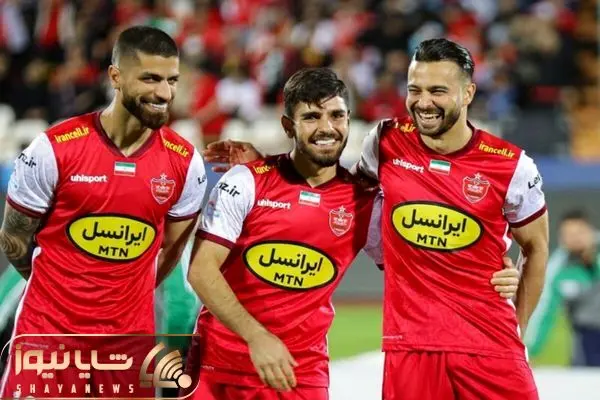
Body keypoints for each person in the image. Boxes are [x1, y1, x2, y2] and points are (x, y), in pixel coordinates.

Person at [204, 39, 549, 400]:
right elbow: (334, 189)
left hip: (491, 343)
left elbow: (536, 247)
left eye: (437, 91)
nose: (423, 102)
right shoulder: (386, 140)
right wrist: (268, 168)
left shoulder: (512, 166)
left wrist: (517, 327)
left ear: (468, 94)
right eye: (415, 90)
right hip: (410, 345)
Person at [0, 26, 207, 398]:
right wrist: (59, 287)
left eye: (171, 80)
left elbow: (172, 250)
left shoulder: (185, 163)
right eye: (150, 79)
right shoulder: (54, 149)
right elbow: (14, 238)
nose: (164, 93)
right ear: (115, 77)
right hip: (49, 337)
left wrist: (122, 293)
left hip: (127, 345)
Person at [526, 209, 600, 366]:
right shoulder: (557, 268)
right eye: (568, 234)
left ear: (591, 232)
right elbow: (543, 310)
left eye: (579, 232)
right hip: (585, 337)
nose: (575, 238)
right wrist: (529, 351)